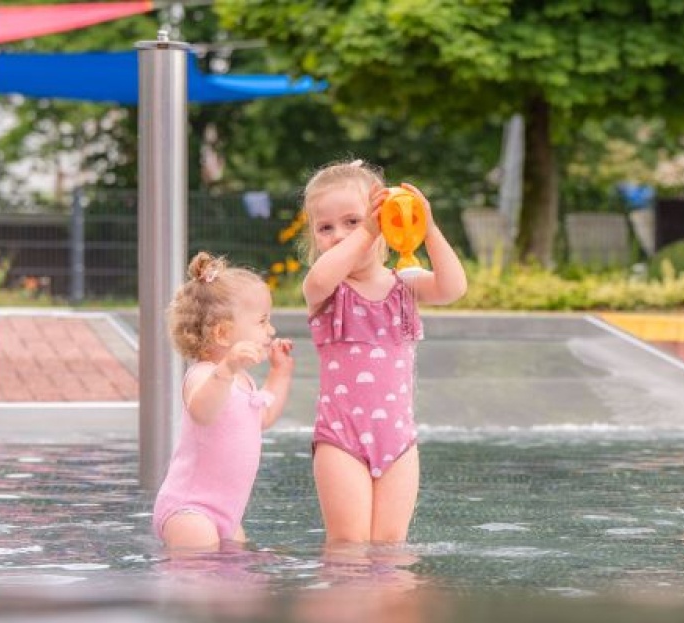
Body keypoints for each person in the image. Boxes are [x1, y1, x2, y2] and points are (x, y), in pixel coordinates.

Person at [301, 160, 467, 545]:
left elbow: (453, 287)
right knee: (349, 545)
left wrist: (427, 229)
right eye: (325, 227)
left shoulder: (405, 285)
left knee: (391, 547)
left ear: (387, 224)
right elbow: (319, 277)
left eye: (352, 222)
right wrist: (367, 231)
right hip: (341, 441)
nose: (339, 235)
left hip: (398, 442)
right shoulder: (327, 292)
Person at [152, 252, 295, 550]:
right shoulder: (203, 375)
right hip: (190, 510)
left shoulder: (244, 381)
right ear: (223, 333)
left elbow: (263, 418)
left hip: (229, 514)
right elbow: (203, 412)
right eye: (262, 321)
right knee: (202, 579)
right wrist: (226, 369)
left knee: (234, 581)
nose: (270, 330)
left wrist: (279, 375)